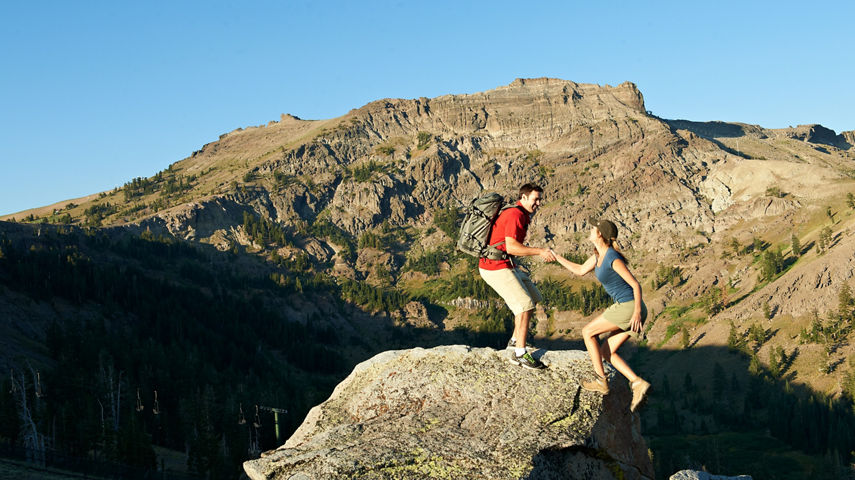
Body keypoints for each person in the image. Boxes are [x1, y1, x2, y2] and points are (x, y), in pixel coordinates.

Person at [551, 218, 651, 411]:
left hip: (629, 307)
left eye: (593, 228)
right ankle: (637, 382)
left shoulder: (612, 257)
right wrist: (556, 257)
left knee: (588, 332)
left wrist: (637, 312)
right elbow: (580, 270)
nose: (590, 230)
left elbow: (635, 285)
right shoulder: (598, 255)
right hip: (628, 308)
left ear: (600, 234)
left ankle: (601, 381)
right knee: (606, 352)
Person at [479, 183, 555, 369]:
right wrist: (540, 251)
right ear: (524, 197)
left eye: (540, 199)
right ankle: (520, 354)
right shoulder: (515, 214)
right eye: (535, 199)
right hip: (494, 267)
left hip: (504, 263)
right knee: (525, 305)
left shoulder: (521, 213)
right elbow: (512, 247)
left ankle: (514, 340)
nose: (538, 203)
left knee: (534, 297)